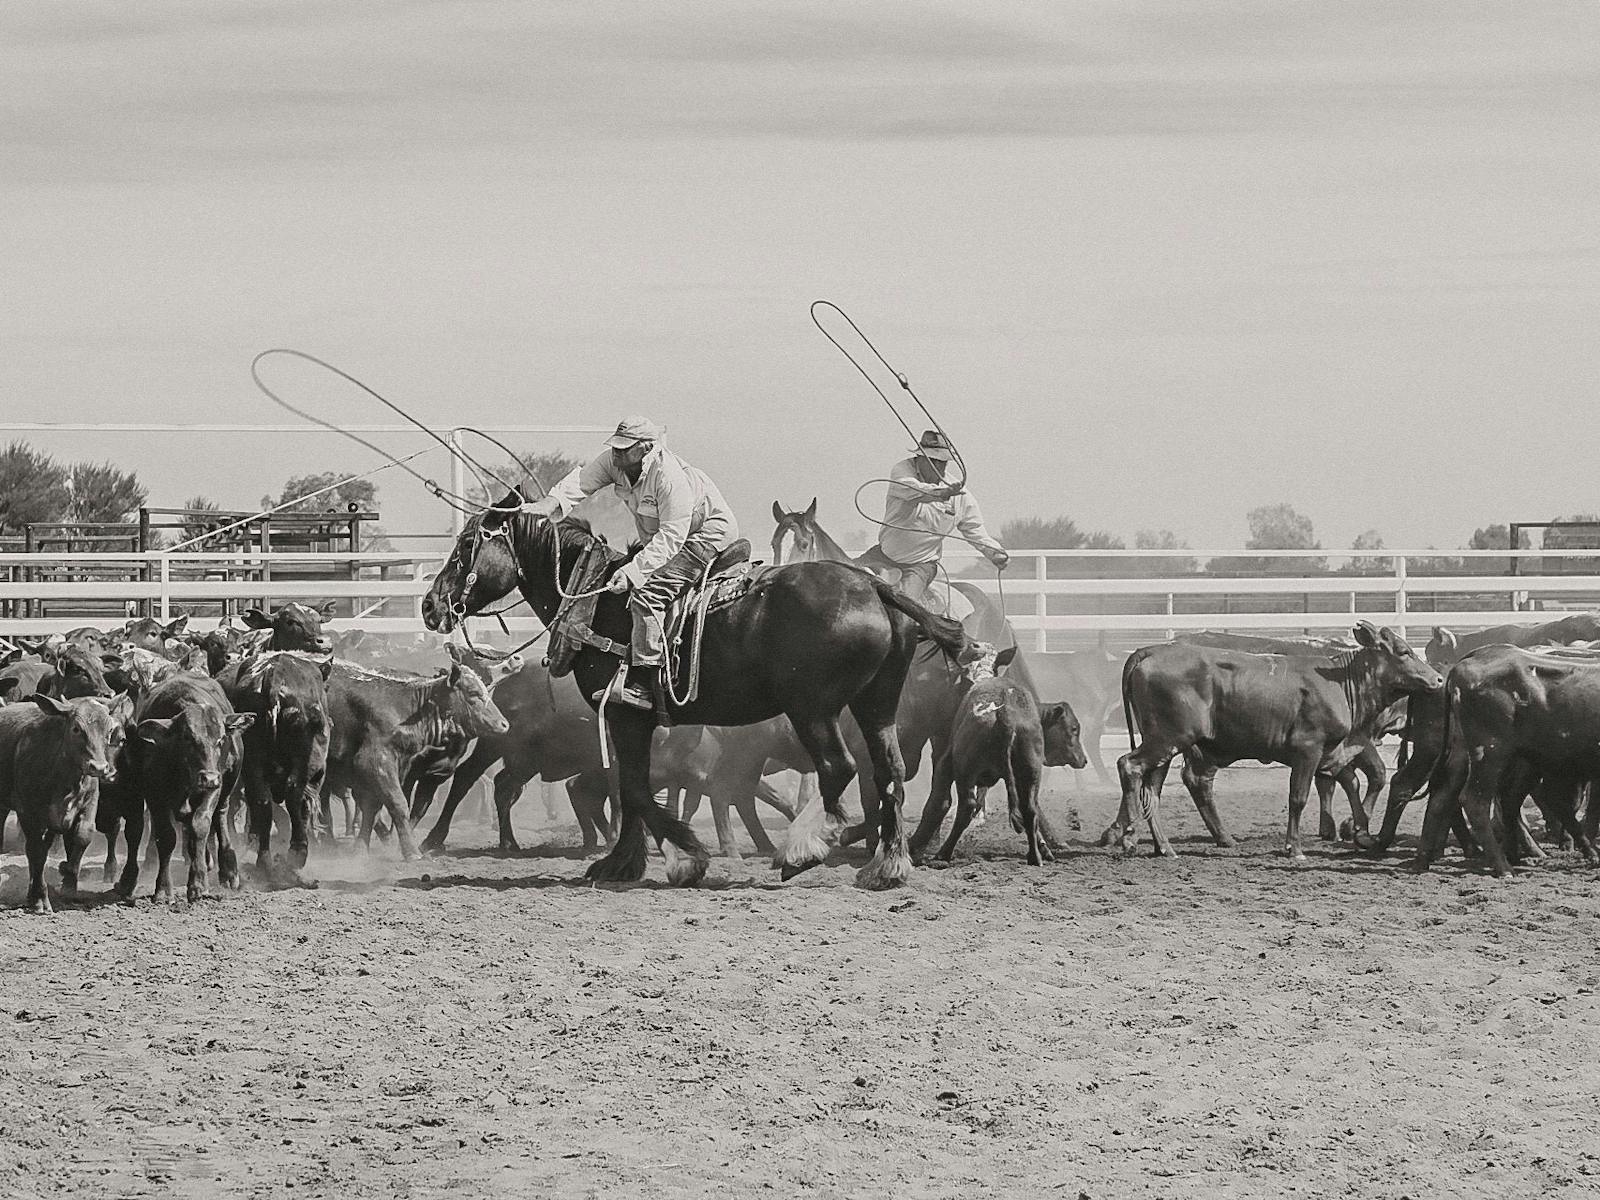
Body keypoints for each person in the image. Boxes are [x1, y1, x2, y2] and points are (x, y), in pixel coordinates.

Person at [519, 416, 739, 712]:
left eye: (624, 448)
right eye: (616, 447)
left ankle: (645, 683)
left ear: (646, 448)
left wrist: (634, 571)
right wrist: (548, 505)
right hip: (667, 538)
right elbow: (582, 481)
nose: (617, 453)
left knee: (648, 594)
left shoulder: (668, 478)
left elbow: (672, 536)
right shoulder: (615, 462)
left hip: (705, 535)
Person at [855, 429, 1008, 602]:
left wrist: (994, 552)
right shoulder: (903, 471)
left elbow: (975, 529)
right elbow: (912, 489)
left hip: (920, 565)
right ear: (919, 458)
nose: (938, 466)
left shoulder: (961, 496)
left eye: (942, 462)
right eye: (932, 460)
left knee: (904, 603)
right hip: (882, 555)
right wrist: (942, 493)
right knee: (840, 575)